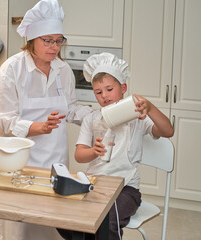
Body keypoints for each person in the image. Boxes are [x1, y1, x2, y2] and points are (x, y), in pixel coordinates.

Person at [0, 0, 92, 239]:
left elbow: (70, 109)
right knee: (20, 227)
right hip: (18, 164)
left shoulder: (62, 70)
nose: (54, 47)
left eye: (59, 40)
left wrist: (100, 115)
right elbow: (5, 120)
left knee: (52, 227)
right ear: (32, 40)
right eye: (48, 40)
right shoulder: (11, 71)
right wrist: (40, 127)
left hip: (55, 162)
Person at [59, 52, 174, 240]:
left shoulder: (138, 118)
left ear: (123, 88)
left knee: (107, 219)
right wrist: (93, 151)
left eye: (109, 89)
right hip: (94, 184)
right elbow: (79, 155)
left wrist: (151, 108)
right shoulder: (92, 119)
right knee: (65, 216)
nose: (104, 95)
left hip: (126, 189)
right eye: (98, 92)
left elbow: (168, 131)